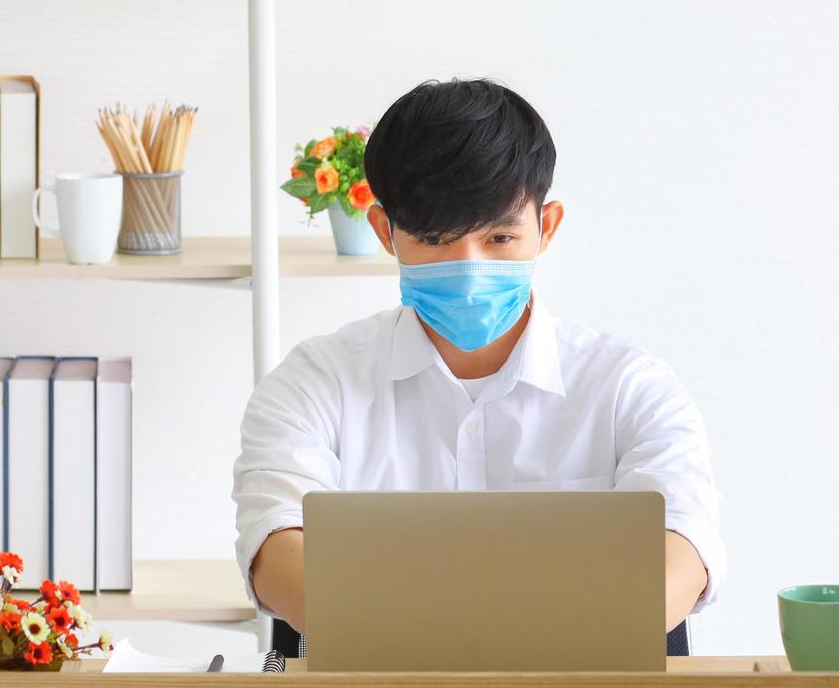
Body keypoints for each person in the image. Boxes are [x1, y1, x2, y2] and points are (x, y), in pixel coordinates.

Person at [232, 77, 723, 637]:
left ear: (547, 226)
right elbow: (274, 545)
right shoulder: (315, 382)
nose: (468, 268)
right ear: (385, 232)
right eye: (437, 239)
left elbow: (684, 549)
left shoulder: (630, 387)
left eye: (498, 239)